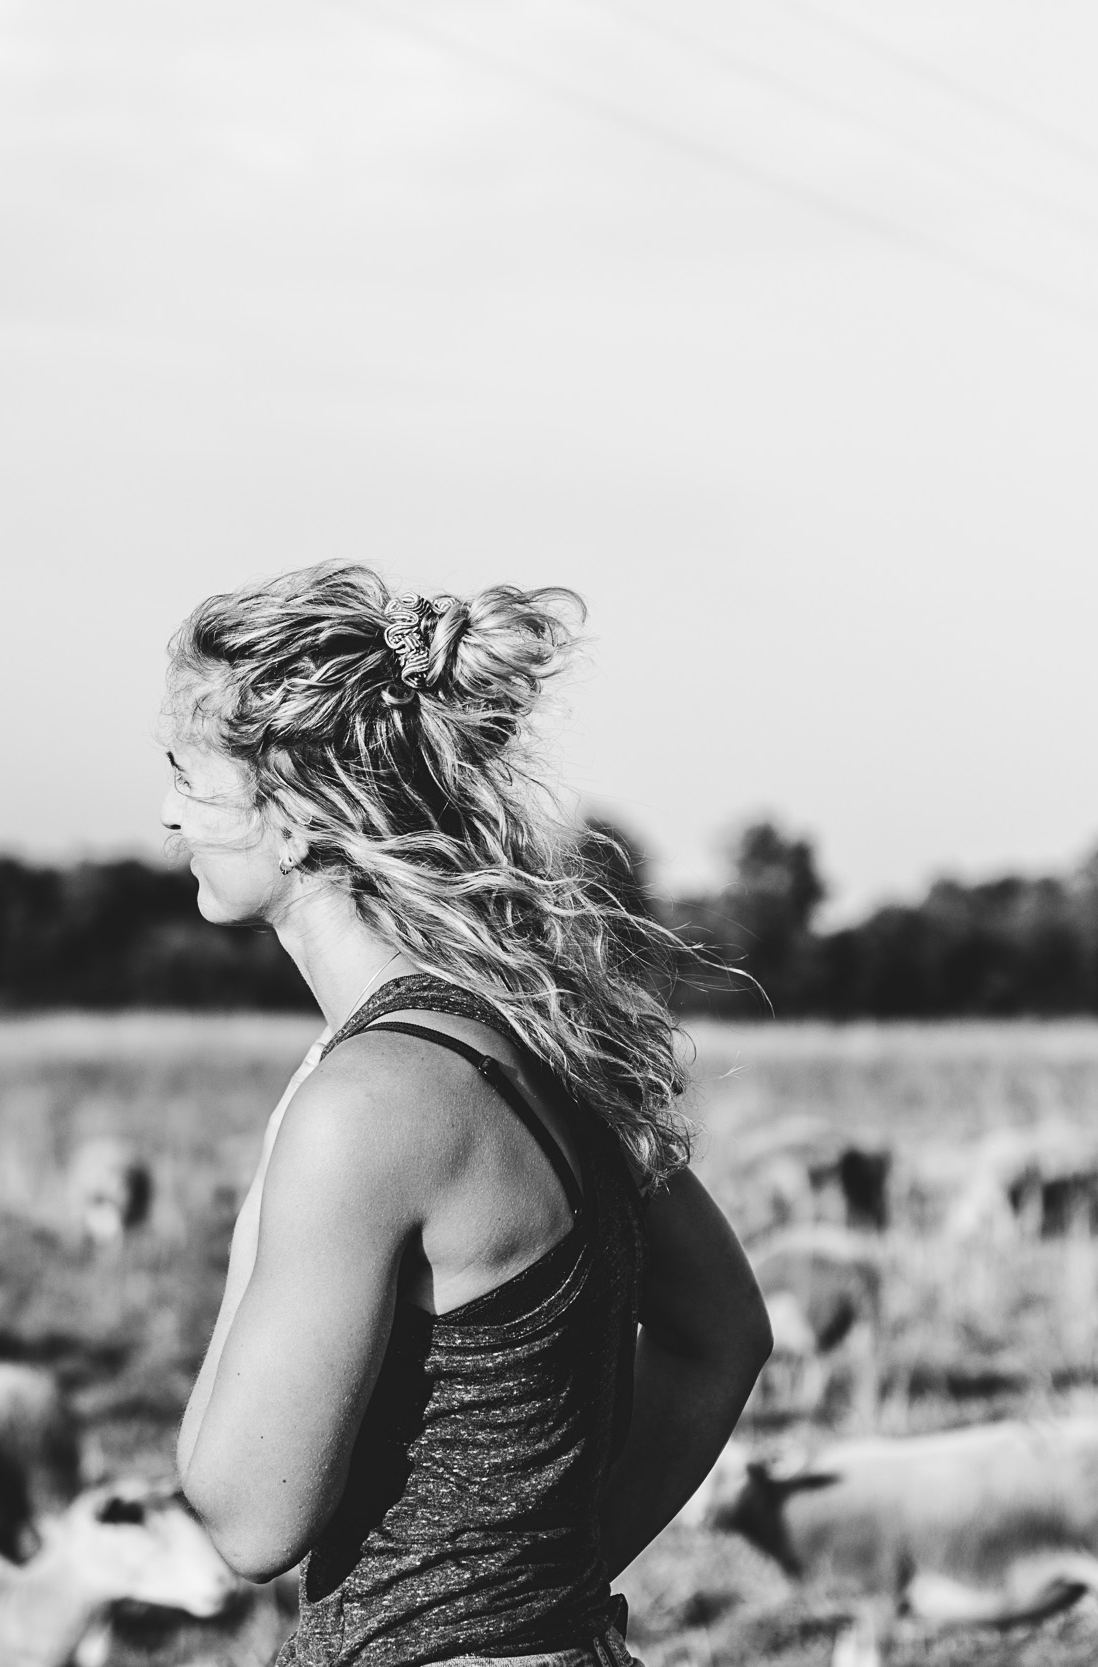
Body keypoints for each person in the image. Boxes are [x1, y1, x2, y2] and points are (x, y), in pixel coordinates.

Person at [168, 565, 772, 1667]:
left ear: (297, 816)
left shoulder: (368, 1101)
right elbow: (724, 1331)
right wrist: (533, 1592)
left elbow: (245, 1513)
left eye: (189, 775)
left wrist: (272, 1170)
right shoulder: (542, 1037)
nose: (169, 811)